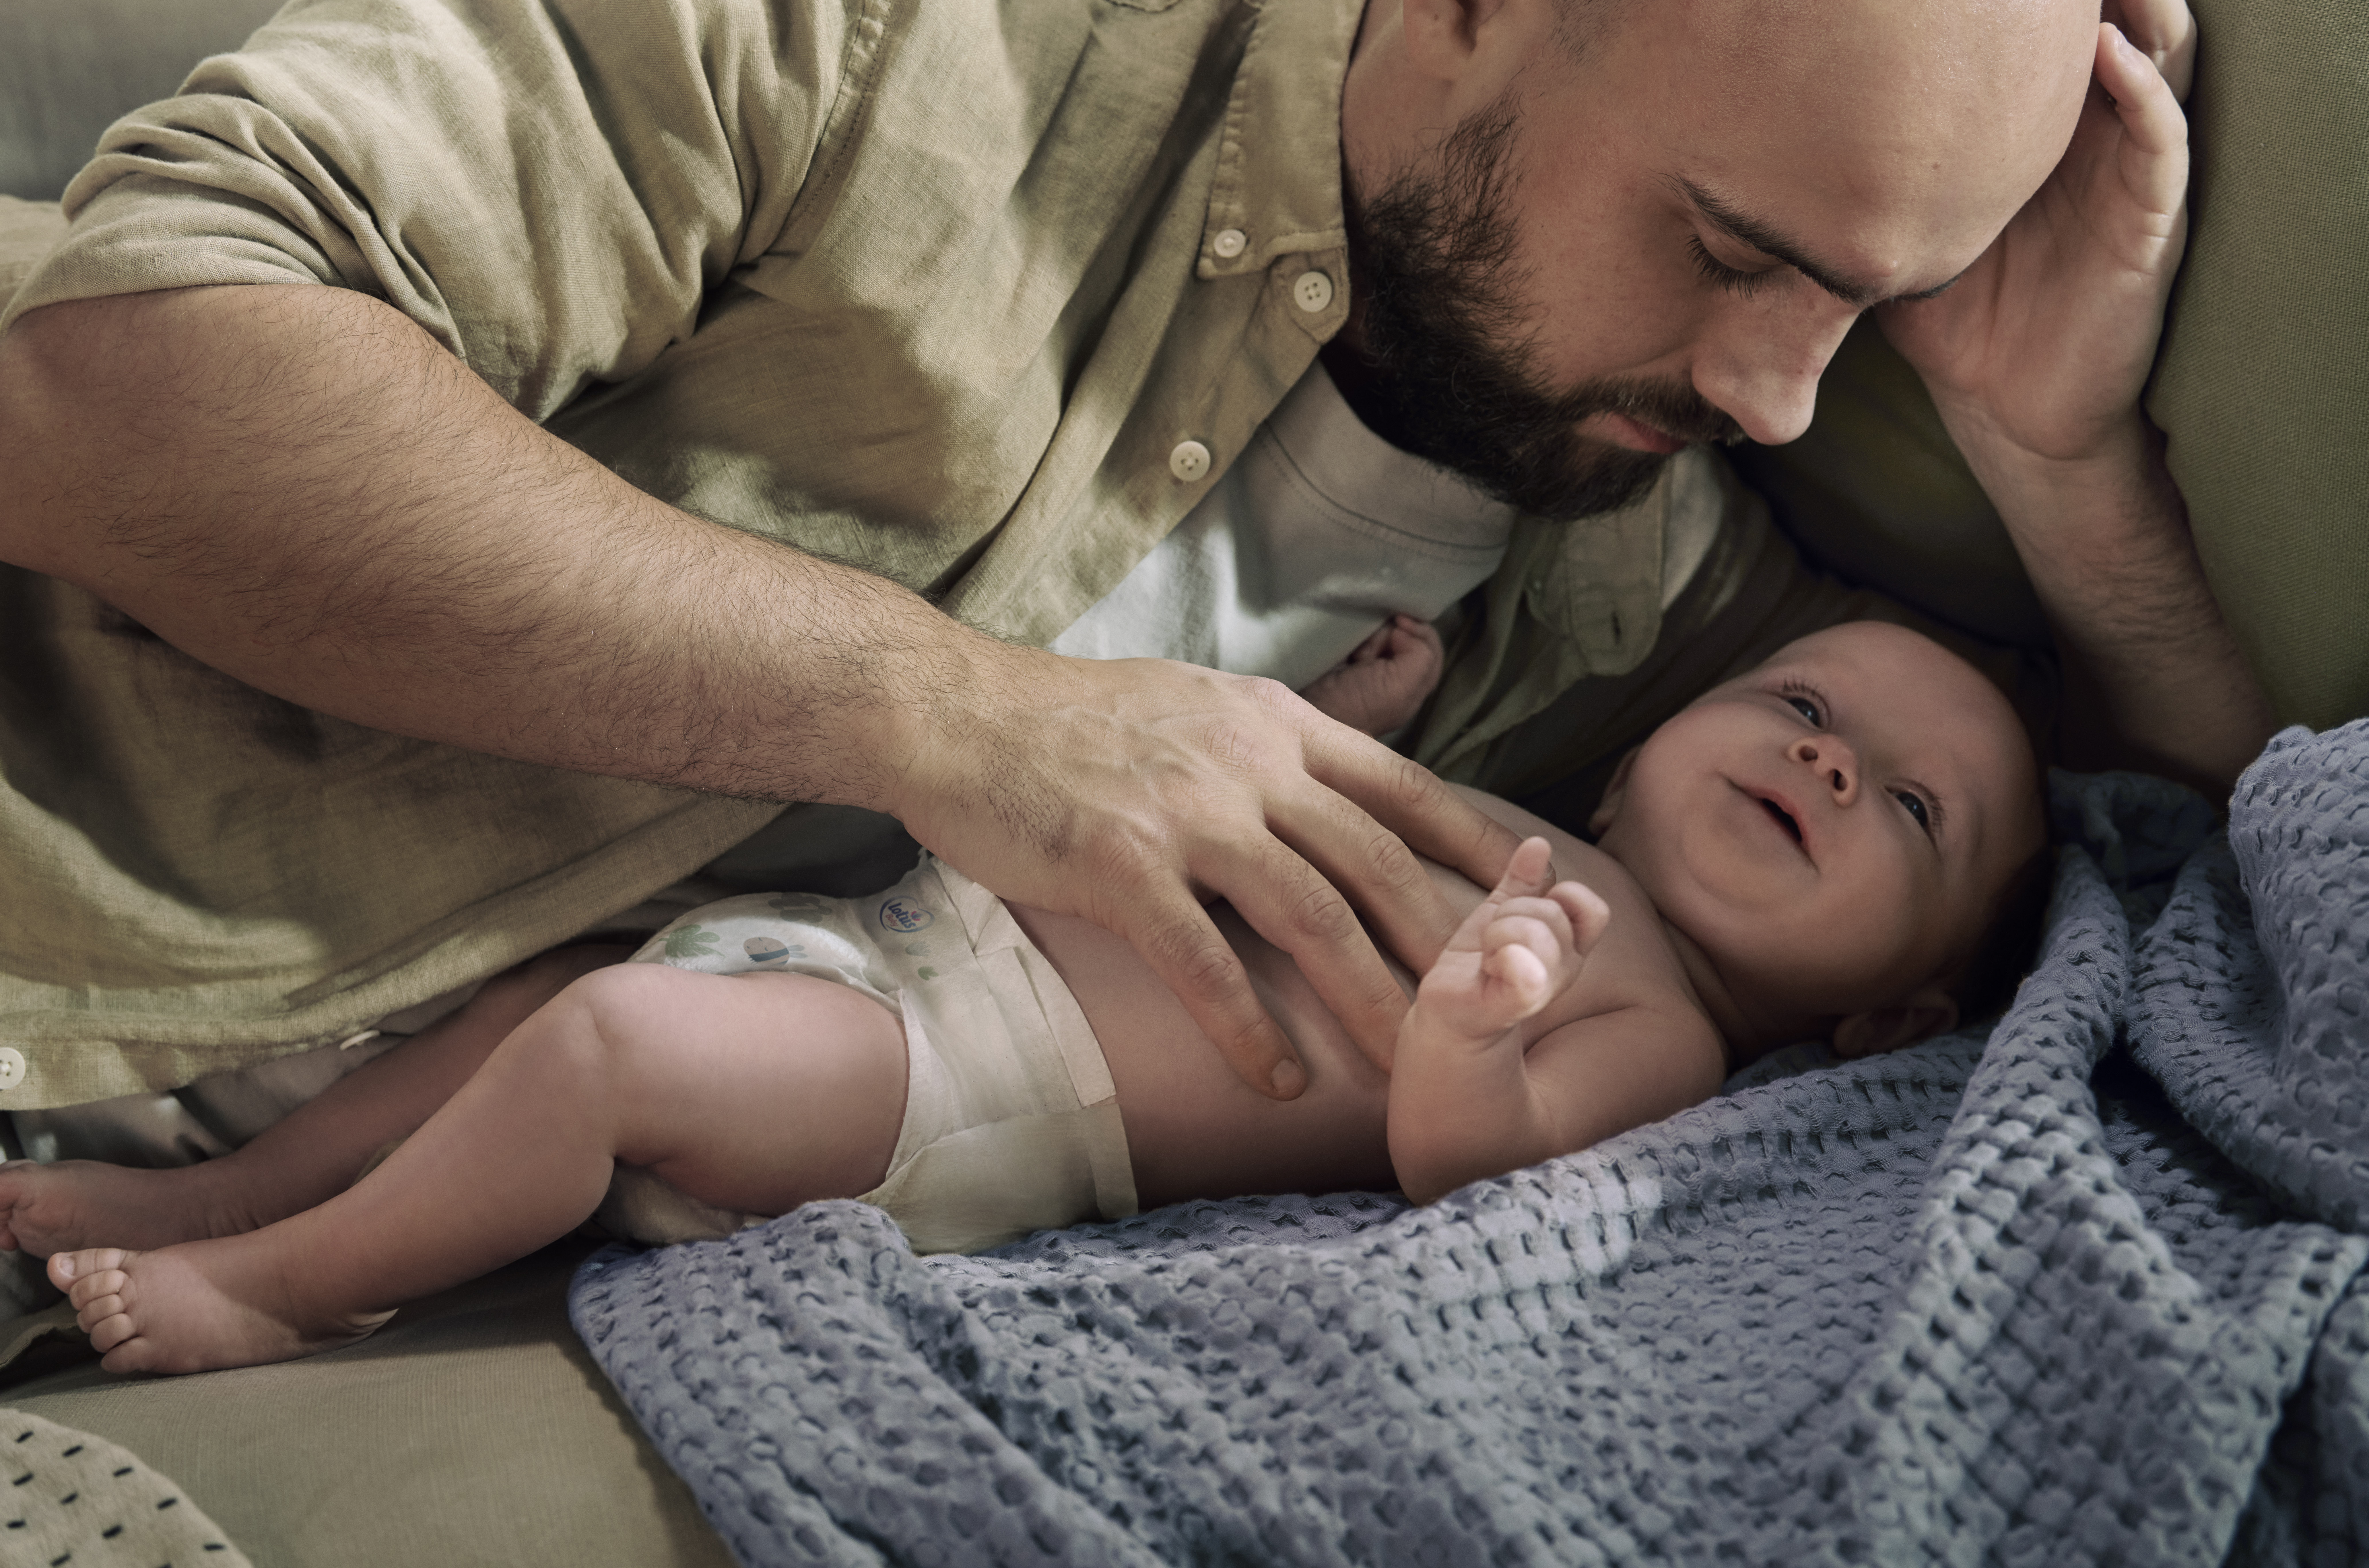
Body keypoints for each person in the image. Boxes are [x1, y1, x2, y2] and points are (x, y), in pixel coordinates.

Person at [0, 0, 2268, 1128]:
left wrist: (2057, 462)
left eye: (1859, 307)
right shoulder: (923, 37)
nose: (1786, 390)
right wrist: (945, 708)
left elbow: (2179, 912)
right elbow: (107, 378)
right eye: (1736, 251)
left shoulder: (1647, 555)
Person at [1, 616, 2048, 1375]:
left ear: (1897, 1014)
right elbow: (1265, 834)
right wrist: (1328, 722)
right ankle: (206, 1192)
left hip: (975, 1089)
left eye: (1913, 807)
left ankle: (287, 1288)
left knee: (605, 1048)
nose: (1826, 757)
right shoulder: (1526, 827)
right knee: (541, 987)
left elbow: (1467, 1168)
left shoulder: (1663, 1037)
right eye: (1799, 701)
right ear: (1643, 747)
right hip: (914, 943)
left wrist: (1475, 1033)